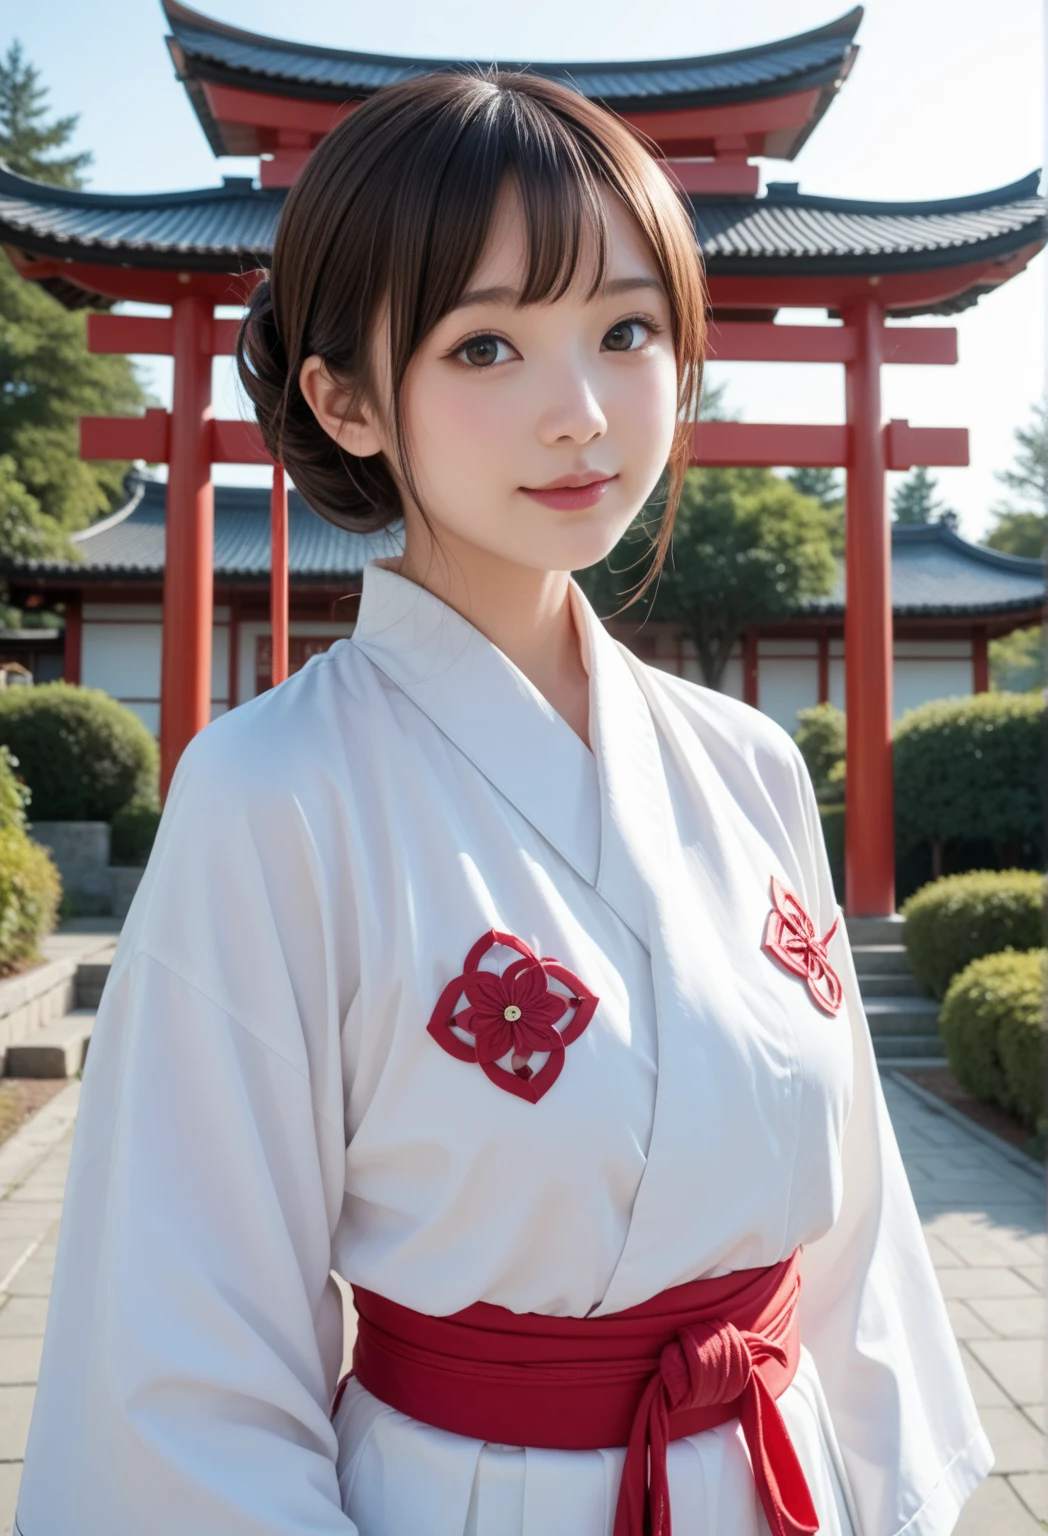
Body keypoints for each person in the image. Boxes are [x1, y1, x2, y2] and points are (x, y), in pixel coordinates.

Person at [16, 69, 991, 1536]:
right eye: (485, 346)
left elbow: (853, 1254)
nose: (581, 412)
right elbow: (183, 1351)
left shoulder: (747, 766)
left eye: (626, 329)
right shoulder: (274, 795)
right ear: (345, 398)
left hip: (781, 1474)